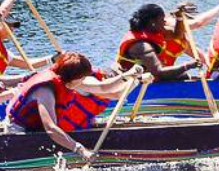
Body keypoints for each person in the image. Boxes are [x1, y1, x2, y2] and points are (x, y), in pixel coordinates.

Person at [2, 52, 149, 162]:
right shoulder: (45, 90)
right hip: (18, 130)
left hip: (36, 128)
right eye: (83, 78)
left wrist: (130, 76)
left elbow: (105, 89)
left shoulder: (69, 81)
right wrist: (80, 149)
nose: (86, 80)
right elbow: (51, 128)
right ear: (75, 78)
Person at [115, 4, 204, 81]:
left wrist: (179, 17)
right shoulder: (142, 46)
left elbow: (177, 35)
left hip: (146, 78)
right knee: (181, 75)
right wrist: (188, 65)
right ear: (152, 22)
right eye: (162, 19)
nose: (165, 22)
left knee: (184, 76)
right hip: (129, 84)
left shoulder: (152, 30)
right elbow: (159, 73)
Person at [0, 0, 56, 74]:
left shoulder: (5, 54)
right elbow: (3, 10)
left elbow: (29, 64)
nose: (11, 29)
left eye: (13, 26)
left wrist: (54, 58)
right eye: (8, 25)